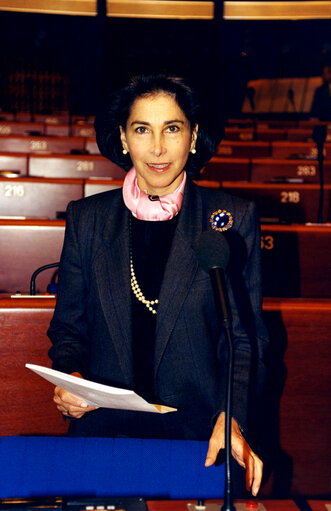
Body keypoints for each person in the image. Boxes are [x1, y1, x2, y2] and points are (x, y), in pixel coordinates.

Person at [48, 74, 269, 496]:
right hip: (103, 429)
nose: (158, 148)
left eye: (172, 128)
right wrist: (69, 379)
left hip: (202, 434)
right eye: (142, 129)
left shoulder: (232, 220)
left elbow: (244, 339)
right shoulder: (87, 219)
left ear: (193, 136)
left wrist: (231, 416)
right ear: (123, 138)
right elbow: (68, 330)